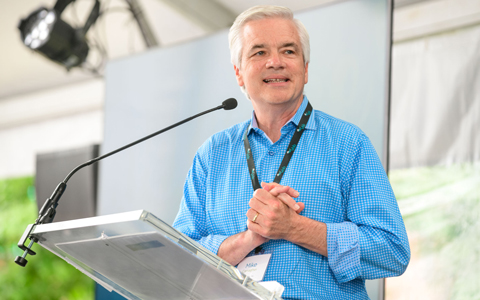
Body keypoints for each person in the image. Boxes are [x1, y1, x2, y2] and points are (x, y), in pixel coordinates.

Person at [173, 5, 410, 299]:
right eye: (259, 52)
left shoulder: (348, 144)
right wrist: (247, 240)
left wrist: (295, 228)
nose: (275, 62)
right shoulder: (212, 155)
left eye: (288, 51)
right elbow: (179, 256)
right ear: (238, 73)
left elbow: (391, 250)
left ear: (305, 69)